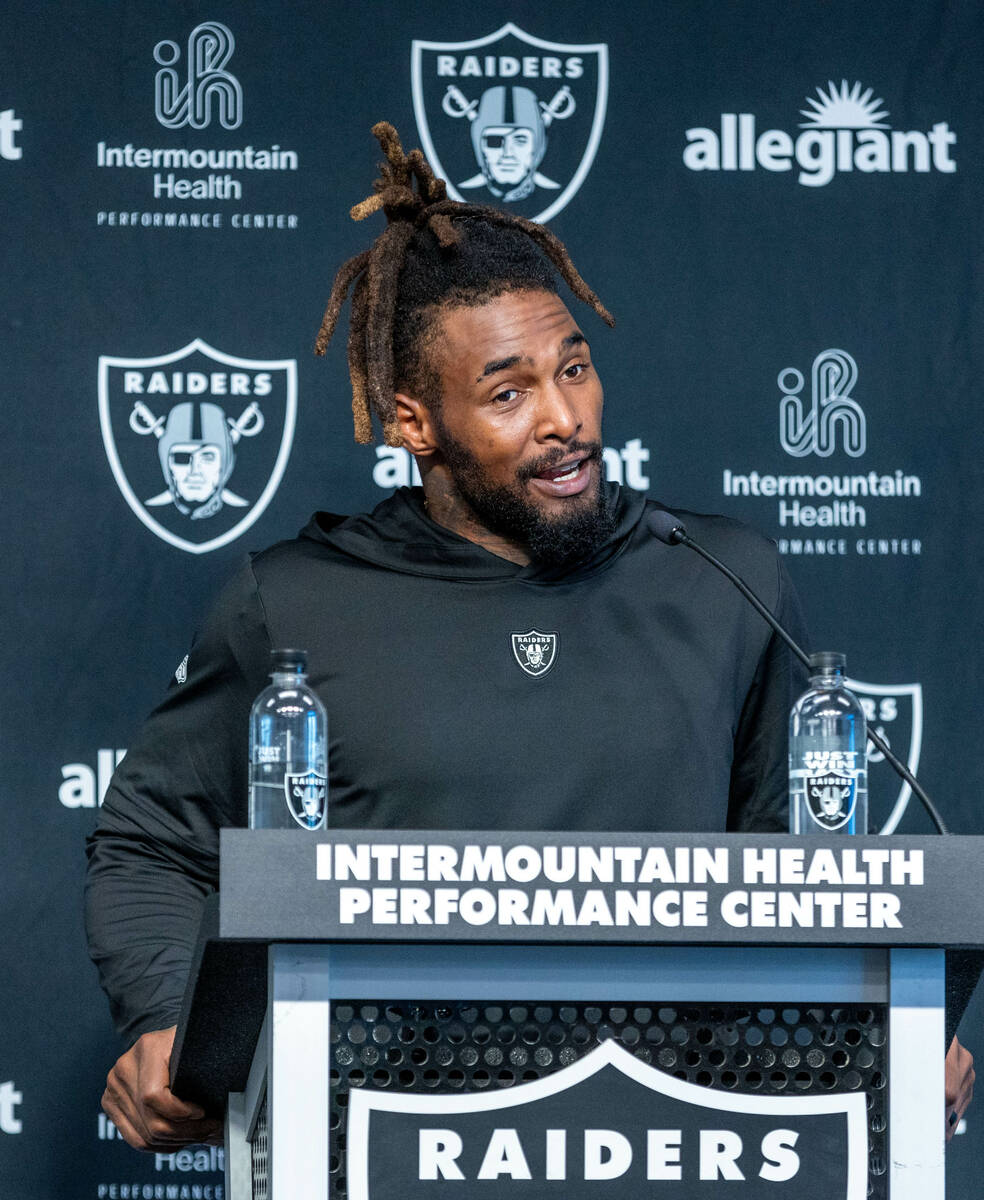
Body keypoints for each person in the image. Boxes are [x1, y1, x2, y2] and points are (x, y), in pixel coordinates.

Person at [85, 122, 973, 1152]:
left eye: (576, 369)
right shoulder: (295, 604)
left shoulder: (724, 579)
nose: (566, 419)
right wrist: (163, 1022)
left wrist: (881, 1025)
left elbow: (809, 875)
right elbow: (150, 844)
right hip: (375, 1143)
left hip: (677, 1147)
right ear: (415, 421)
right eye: (508, 393)